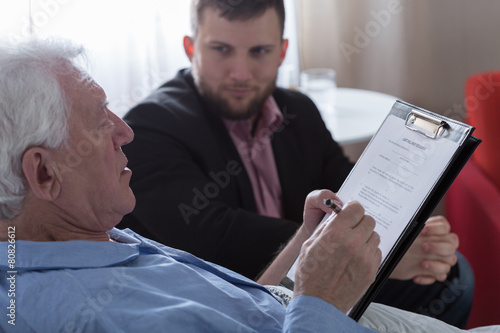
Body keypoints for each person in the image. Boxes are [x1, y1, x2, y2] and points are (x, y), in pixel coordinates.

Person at [2, 38, 494, 333]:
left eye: (260, 51)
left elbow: (252, 310)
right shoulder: (79, 314)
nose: (123, 130)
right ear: (44, 172)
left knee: (451, 276)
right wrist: (320, 296)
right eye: (98, 120)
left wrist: (307, 243)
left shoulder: (92, 238)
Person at [117, 0, 473, 328]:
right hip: (222, 302)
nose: (240, 72)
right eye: (221, 49)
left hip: (304, 287)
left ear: (282, 53)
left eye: (259, 51)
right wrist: (378, 249)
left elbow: (348, 188)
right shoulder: (148, 127)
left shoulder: (297, 110)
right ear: (190, 47)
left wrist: (406, 234)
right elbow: (217, 240)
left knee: (450, 276)